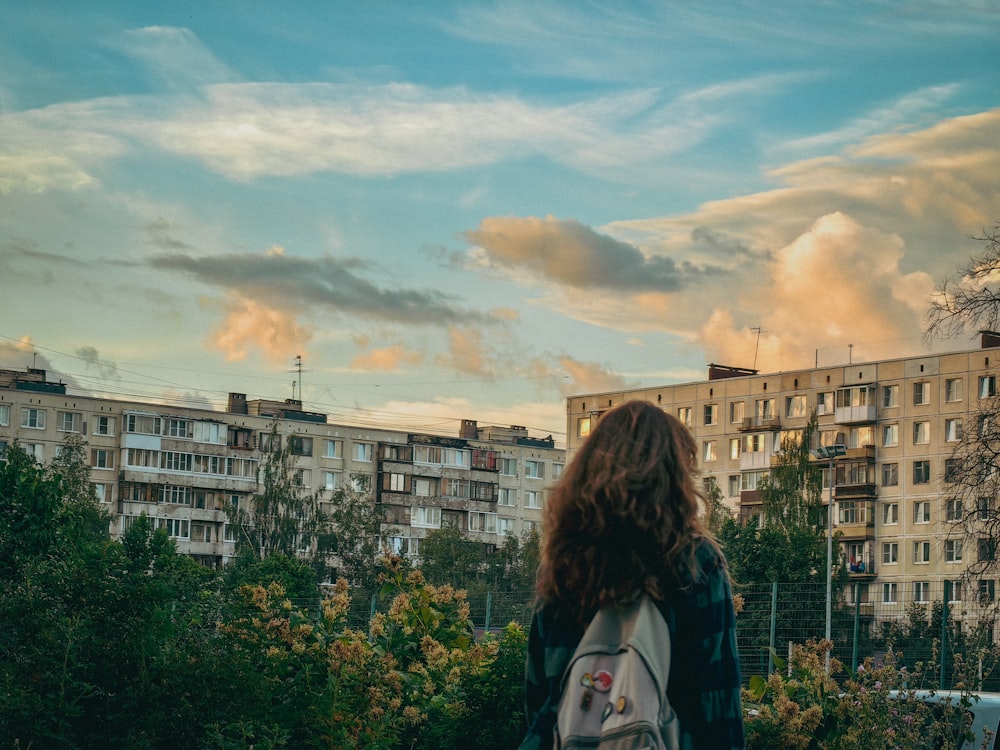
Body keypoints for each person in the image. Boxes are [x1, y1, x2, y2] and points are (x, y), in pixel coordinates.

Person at [519, 400, 744, 750]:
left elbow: (540, 695)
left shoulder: (562, 564)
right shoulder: (694, 561)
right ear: (673, 478)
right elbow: (718, 702)